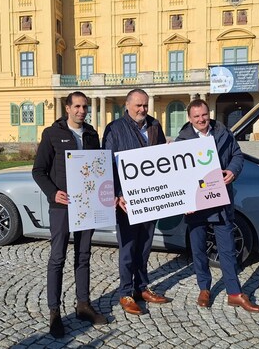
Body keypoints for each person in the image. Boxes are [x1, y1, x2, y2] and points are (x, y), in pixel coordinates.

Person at [175, 99, 259, 313]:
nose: (201, 120)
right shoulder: (181, 140)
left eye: (204, 115)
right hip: (196, 204)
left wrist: (233, 171)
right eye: (196, 117)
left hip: (220, 202)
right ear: (190, 119)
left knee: (228, 249)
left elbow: (237, 155)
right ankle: (204, 288)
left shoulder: (223, 132)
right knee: (198, 249)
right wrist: (184, 200)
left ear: (209, 113)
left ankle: (234, 293)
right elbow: (176, 175)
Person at [32, 91, 107, 338]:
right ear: (67, 108)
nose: (81, 111)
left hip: (86, 205)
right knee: (58, 258)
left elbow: (98, 168)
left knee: (83, 255)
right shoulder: (52, 134)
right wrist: (53, 193)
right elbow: (39, 171)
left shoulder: (92, 134)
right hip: (62, 206)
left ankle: (83, 305)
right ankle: (55, 312)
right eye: (77, 106)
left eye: (84, 107)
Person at [102, 89, 169, 315]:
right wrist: (117, 193)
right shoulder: (115, 128)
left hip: (150, 197)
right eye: (138, 105)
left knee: (145, 246)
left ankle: (142, 287)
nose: (142, 110)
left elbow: (163, 159)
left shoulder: (154, 125)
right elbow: (108, 164)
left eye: (145, 106)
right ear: (127, 105)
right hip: (126, 201)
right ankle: (126, 292)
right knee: (128, 248)